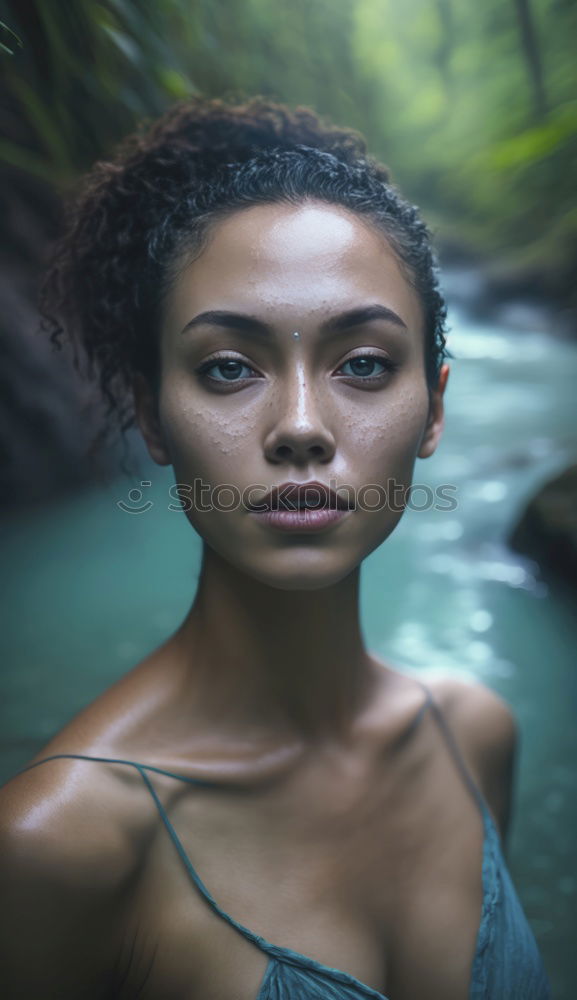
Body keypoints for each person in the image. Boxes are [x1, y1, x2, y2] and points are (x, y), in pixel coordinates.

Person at [0, 95, 551, 999]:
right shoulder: (62, 848)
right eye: (228, 368)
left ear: (435, 408)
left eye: (363, 364)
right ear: (152, 415)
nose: (299, 427)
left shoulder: (475, 734)